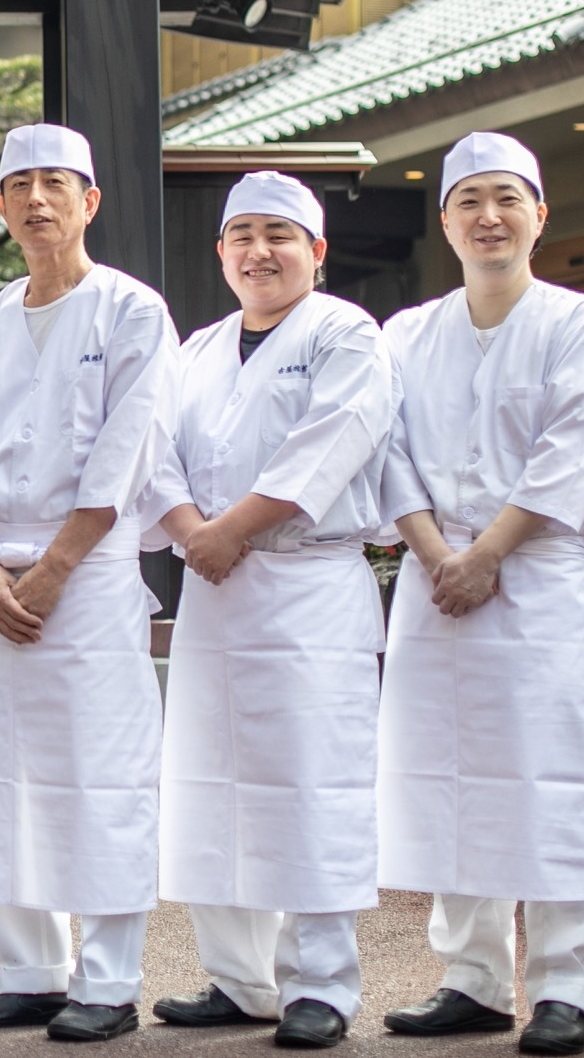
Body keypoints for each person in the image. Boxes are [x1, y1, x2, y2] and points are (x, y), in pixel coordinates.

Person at [0, 125, 177, 1045]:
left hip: (94, 576)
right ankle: (27, 972)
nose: (37, 200)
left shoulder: (133, 311)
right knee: (2, 771)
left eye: (56, 184)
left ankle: (107, 981)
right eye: (19, 184)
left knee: (100, 772)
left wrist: (57, 567)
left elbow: (127, 447)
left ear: (90, 201)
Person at [372, 133, 584, 1056]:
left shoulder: (579, 324)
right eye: (470, 199)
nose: (489, 216)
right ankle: (472, 978)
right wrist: (441, 553)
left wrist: (488, 554)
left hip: (540, 584)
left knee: (550, 780)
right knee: (448, 779)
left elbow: (572, 450)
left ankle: (565, 985)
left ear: (540, 216)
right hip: (436, 583)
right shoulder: (405, 335)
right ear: (445, 221)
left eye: (507, 198)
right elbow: (386, 450)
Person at [144, 171, 396, 1049]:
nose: (260, 251)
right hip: (214, 587)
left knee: (312, 783)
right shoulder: (199, 347)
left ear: (317, 251)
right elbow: (153, 452)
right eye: (241, 234)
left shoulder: (346, 334)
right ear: (220, 253)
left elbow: (329, 443)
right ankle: (237, 977)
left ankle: (320, 984)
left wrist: (231, 532)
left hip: (307, 586)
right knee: (211, 782)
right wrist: (189, 531)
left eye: (279, 234)